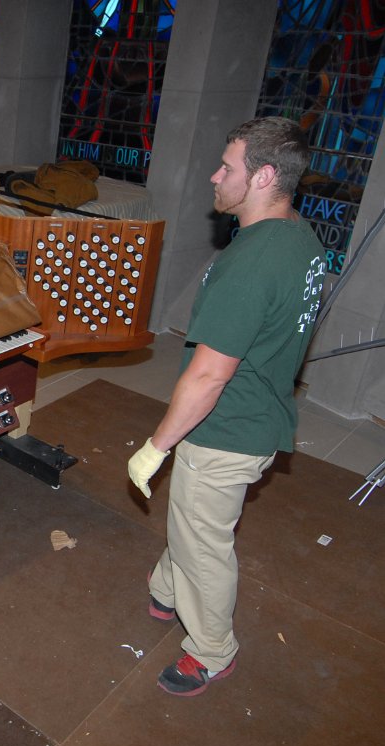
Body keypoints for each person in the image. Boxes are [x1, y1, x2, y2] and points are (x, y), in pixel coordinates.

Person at [127, 116, 327, 697]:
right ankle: (168, 589)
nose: (214, 175)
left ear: (264, 176)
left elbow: (209, 375)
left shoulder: (249, 265)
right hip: (260, 413)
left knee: (205, 543)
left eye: (228, 167)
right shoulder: (298, 236)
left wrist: (155, 446)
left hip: (227, 430)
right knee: (194, 521)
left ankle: (212, 650)